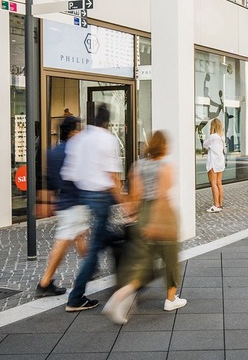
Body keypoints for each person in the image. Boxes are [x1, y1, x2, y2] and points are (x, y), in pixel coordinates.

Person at [103, 130, 186, 323]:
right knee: (171, 259)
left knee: (142, 265)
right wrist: (160, 223)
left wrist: (133, 216)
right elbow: (163, 195)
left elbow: (135, 196)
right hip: (161, 214)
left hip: (142, 216)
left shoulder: (138, 166)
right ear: (165, 147)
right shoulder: (165, 167)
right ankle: (171, 298)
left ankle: (118, 298)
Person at [62, 103, 125, 312]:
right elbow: (112, 175)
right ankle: (75, 297)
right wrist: (123, 202)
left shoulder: (80, 139)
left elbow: (69, 173)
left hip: (82, 195)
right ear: (107, 122)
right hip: (101, 197)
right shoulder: (107, 139)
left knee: (108, 237)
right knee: (99, 245)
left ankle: (120, 280)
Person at [36, 115, 88, 296]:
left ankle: (90, 267)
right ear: (73, 131)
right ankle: (45, 281)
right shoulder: (75, 151)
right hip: (74, 201)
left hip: (65, 202)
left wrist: (45, 201)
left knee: (79, 234)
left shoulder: (53, 152)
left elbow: (48, 180)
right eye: (79, 129)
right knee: (64, 239)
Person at [203, 117, 225, 213]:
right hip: (220, 162)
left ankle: (216, 205)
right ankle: (220, 204)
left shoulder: (213, 137)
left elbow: (204, 144)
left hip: (213, 163)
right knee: (219, 183)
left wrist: (210, 134)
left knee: (213, 184)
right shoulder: (222, 137)